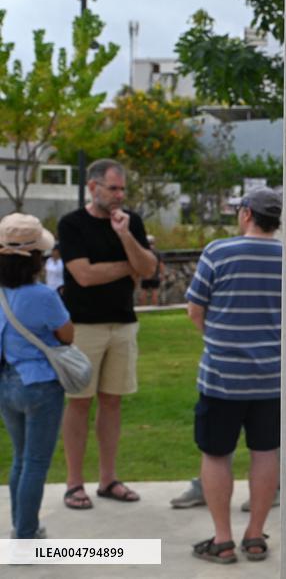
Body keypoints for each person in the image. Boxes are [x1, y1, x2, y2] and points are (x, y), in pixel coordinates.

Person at [186, 187, 282, 563]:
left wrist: (218, 336)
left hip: (222, 377)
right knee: (265, 452)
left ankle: (222, 540)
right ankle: (255, 536)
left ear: (246, 214)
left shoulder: (218, 251)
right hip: (272, 378)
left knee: (216, 454)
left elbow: (195, 309)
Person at [57, 159, 158, 509]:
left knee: (113, 401)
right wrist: (126, 268)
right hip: (83, 326)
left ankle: (108, 479)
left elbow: (147, 268)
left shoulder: (131, 223)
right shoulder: (71, 225)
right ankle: (73, 483)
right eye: (113, 188)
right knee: (80, 402)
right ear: (93, 187)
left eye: (122, 189)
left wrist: (125, 236)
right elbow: (83, 275)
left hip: (123, 324)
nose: (119, 195)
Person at [0, 214, 73, 538]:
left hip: (6, 382)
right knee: (35, 462)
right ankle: (26, 532)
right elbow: (67, 336)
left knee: (20, 458)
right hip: (41, 385)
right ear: (36, 257)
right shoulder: (43, 295)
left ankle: (20, 525)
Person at [137, 236, 165, 306]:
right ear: (154, 242)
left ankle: (142, 308)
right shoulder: (157, 252)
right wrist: (162, 274)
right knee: (154, 291)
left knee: (143, 291)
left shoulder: (143, 251)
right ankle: (154, 307)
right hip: (155, 275)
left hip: (145, 275)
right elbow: (161, 264)